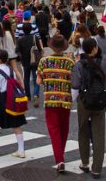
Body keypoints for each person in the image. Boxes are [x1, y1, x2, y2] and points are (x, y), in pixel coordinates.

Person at [70, 38, 106, 178]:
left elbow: (75, 85)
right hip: (100, 101)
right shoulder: (103, 63)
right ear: (94, 48)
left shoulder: (79, 65)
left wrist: (72, 101)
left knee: (83, 131)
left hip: (84, 101)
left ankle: (85, 162)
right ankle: (97, 168)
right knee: (99, 134)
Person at [35, 34, 74, 172]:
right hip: (65, 99)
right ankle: (61, 155)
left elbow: (38, 81)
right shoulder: (69, 62)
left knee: (54, 130)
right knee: (64, 129)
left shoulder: (44, 61)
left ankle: (59, 159)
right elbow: (73, 81)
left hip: (50, 99)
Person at [16, 23, 42, 107]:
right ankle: (36, 95)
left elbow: (17, 51)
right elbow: (40, 49)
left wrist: (21, 56)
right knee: (36, 78)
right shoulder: (35, 38)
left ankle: (27, 95)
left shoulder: (20, 39)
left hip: (25, 62)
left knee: (26, 78)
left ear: (23, 30)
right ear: (31, 29)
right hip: (34, 62)